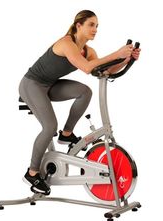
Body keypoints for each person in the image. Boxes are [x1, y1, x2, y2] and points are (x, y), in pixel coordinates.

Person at [19, 10, 141, 195]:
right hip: (32, 84)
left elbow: (103, 70)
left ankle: (66, 134)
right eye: (91, 25)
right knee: (49, 126)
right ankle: (32, 172)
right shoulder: (66, 43)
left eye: (97, 26)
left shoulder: (88, 51)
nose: (95, 29)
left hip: (50, 85)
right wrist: (116, 53)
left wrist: (126, 59)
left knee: (85, 92)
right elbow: (86, 67)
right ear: (78, 26)